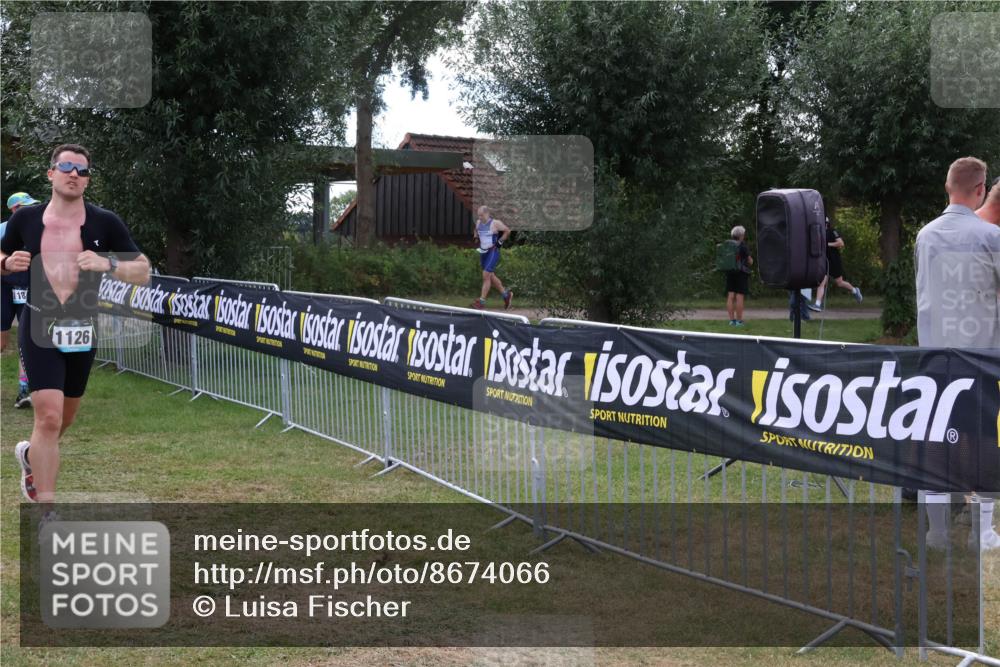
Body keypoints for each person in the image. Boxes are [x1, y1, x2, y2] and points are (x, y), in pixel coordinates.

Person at [1, 144, 150, 509]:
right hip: (39, 321)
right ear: (51, 173)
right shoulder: (26, 219)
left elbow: (143, 271)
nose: (74, 174)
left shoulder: (105, 222)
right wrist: (6, 263)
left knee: (63, 420)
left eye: (81, 170)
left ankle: (32, 456)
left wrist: (108, 264)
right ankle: (47, 513)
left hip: (82, 325)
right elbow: (1, 255)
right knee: (49, 417)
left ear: (87, 180)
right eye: (66, 166)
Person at [914, 156, 1000, 551]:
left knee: (936, 445)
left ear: (948, 186)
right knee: (982, 445)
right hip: (979, 359)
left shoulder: (925, 236)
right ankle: (982, 534)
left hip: (934, 357)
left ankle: (937, 533)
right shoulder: (990, 237)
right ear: (980, 189)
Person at [2, 192, 38, 408]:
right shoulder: (2, 229)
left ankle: (24, 392)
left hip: (27, 287)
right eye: (24, 207)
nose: (29, 210)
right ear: (13, 210)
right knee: (1, 342)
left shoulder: (36, 228)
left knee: (27, 342)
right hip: (3, 288)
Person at [807, 217, 862, 312]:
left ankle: (854, 290)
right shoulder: (818, 233)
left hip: (834, 261)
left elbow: (841, 243)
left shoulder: (832, 231)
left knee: (839, 283)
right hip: (824, 262)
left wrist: (828, 244)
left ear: (826, 223)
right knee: (822, 282)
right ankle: (817, 304)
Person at [471, 205, 513, 310]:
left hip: (493, 252)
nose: (479, 217)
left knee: (486, 275)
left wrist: (499, 242)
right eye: (478, 215)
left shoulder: (495, 223)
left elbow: (507, 231)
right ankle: (506, 295)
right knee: (491, 276)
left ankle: (481, 302)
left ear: (487, 214)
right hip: (483, 252)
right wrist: (476, 237)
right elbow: (476, 230)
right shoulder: (479, 222)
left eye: (481, 215)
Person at [724, 226, 752, 326]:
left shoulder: (727, 245)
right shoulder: (743, 246)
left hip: (730, 272)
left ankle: (732, 321)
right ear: (741, 235)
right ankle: (739, 321)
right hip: (741, 273)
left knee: (731, 296)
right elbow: (749, 261)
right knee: (740, 296)